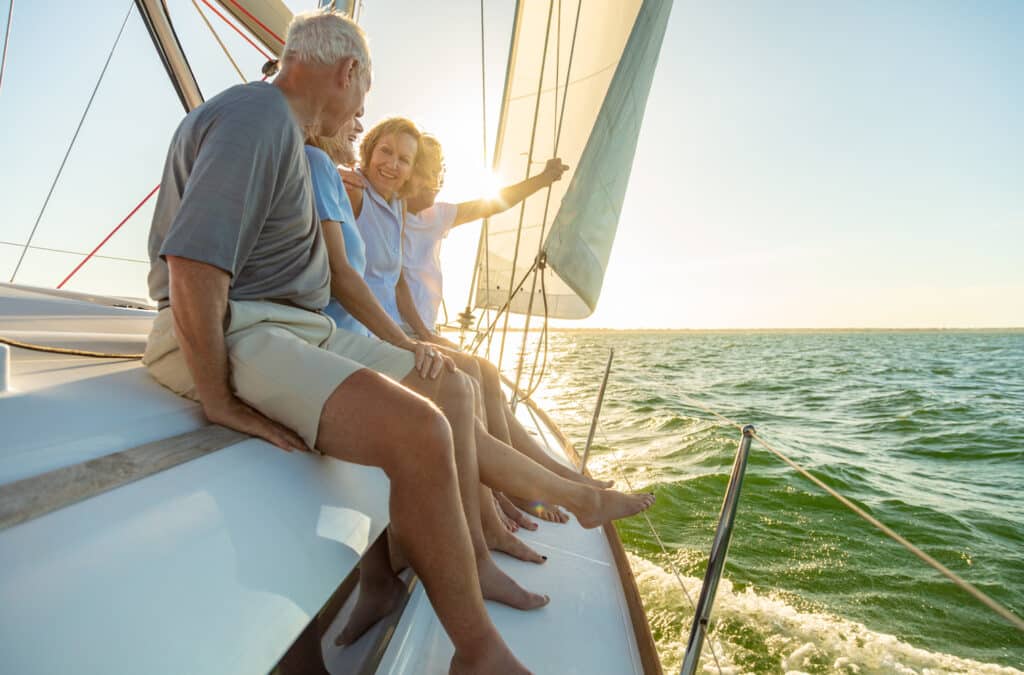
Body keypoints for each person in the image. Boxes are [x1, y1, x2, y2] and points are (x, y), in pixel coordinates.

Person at [142, 11, 532, 674]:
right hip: (241, 325)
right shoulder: (257, 117)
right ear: (348, 73)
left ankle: (454, 565)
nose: (359, 111)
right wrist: (219, 398)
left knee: (449, 385)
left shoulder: (288, 135)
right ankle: (477, 647)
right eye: (364, 96)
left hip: (293, 326)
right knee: (421, 429)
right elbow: (194, 266)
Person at [348, 128, 603, 524]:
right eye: (424, 179)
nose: (432, 188)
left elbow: (493, 205)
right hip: (398, 329)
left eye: (437, 179)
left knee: (488, 380)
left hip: (418, 328)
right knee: (474, 376)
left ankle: (548, 478)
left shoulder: (436, 214)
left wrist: (542, 179)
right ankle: (512, 490)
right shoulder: (386, 207)